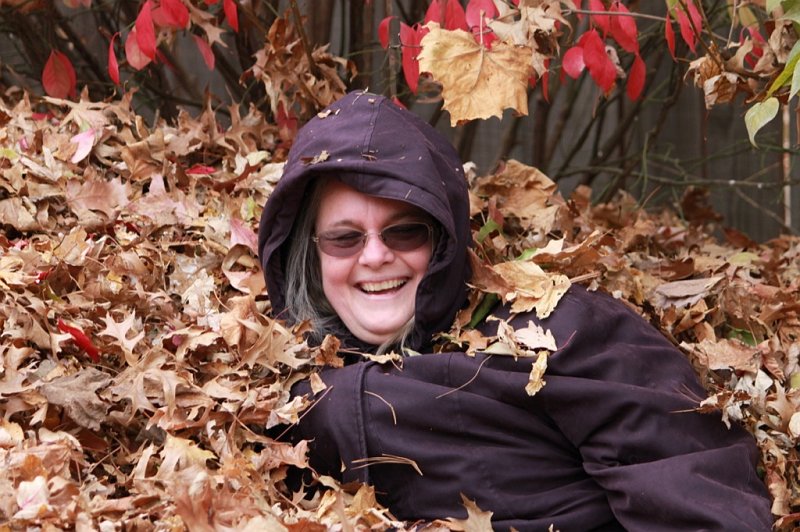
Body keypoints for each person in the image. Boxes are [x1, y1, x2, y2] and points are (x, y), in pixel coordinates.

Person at [257, 91, 772, 530]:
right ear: (311, 254)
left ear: (442, 238)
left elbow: (700, 494)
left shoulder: (561, 331)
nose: (374, 256)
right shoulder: (276, 380)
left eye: (404, 231)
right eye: (345, 239)